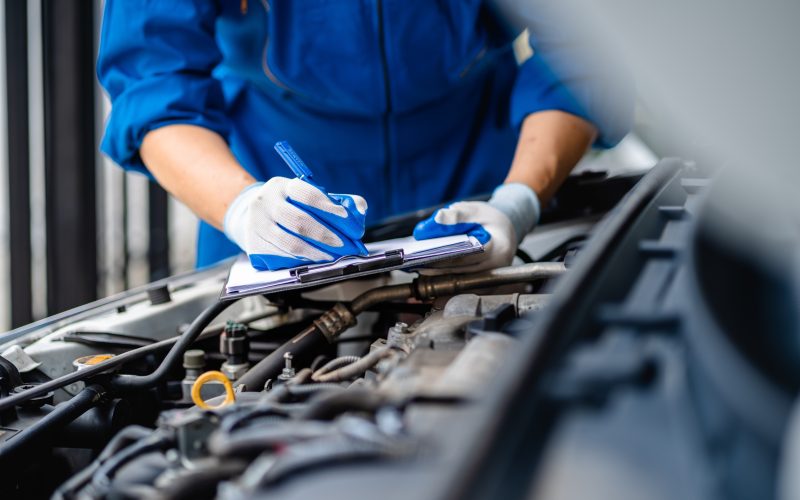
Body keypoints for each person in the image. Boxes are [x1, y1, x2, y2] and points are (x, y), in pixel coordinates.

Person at [97, 1, 631, 273]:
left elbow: (587, 44)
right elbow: (153, 78)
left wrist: (518, 200)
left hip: (483, 161)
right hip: (264, 172)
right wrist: (241, 208)